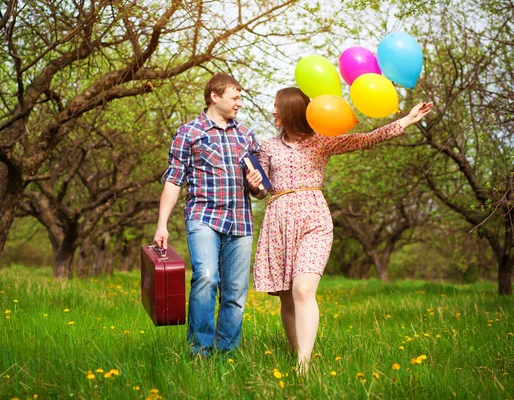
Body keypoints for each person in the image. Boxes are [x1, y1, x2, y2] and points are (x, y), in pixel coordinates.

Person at [251, 87, 433, 374]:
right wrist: (253, 183)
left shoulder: (320, 142)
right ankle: (296, 353)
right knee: (287, 296)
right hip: (279, 222)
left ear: (291, 111)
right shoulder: (268, 146)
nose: (273, 111)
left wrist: (406, 120)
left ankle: (304, 366)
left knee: (302, 289)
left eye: (277, 106)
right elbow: (260, 190)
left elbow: (364, 139)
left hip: (314, 220)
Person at [153, 73, 264, 356]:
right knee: (205, 276)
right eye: (235, 97)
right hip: (204, 216)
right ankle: (199, 351)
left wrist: (257, 186)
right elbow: (173, 180)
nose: (239, 103)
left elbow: (261, 189)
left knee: (235, 292)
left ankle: (226, 353)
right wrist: (161, 225)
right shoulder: (189, 133)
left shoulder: (246, 136)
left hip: (240, 221)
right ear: (215, 96)